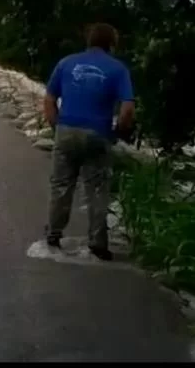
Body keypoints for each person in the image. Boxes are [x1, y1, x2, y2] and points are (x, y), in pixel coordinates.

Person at [42, 22, 135, 261]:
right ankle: (98, 243)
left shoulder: (66, 63)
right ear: (112, 44)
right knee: (96, 189)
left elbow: (49, 99)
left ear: (88, 41)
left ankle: (54, 232)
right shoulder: (118, 69)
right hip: (98, 134)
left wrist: (57, 127)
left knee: (61, 184)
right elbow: (127, 109)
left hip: (66, 129)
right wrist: (118, 131)